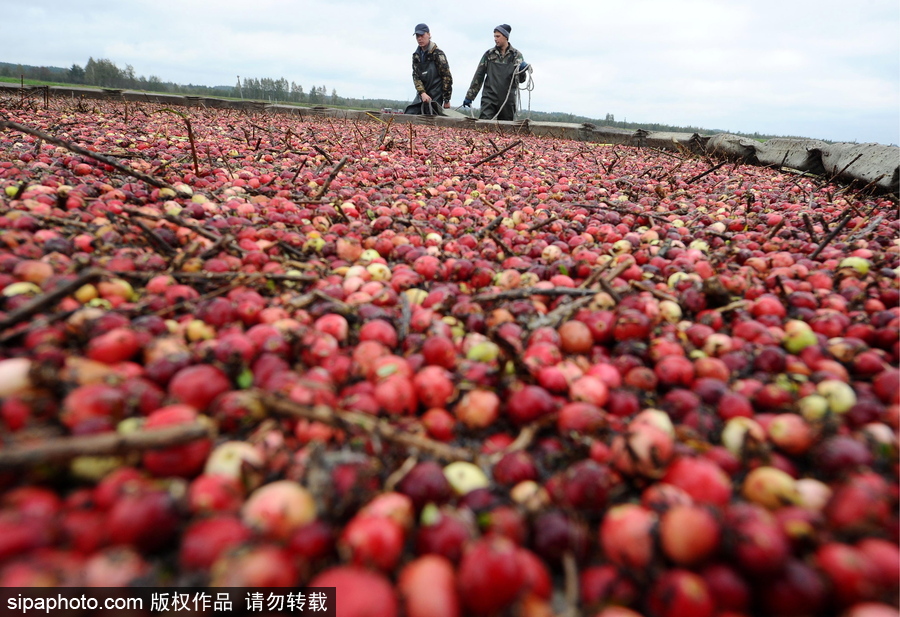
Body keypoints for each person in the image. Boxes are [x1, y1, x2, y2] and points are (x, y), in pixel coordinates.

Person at [463, 24, 530, 121]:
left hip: (507, 100)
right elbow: (479, 76)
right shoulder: (489, 54)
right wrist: (470, 96)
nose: (495, 39)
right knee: (484, 126)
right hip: (489, 98)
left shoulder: (516, 56)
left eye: (498, 36)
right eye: (494, 36)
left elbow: (521, 80)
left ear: (505, 37)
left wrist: (522, 71)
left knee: (507, 130)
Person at [404, 23, 453, 115]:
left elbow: (446, 77)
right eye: (417, 36)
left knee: (431, 119)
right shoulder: (416, 56)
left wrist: (446, 99)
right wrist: (422, 93)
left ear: (429, 35)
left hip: (436, 93)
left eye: (422, 35)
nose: (419, 38)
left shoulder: (438, 54)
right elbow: (416, 76)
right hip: (422, 93)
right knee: (410, 114)